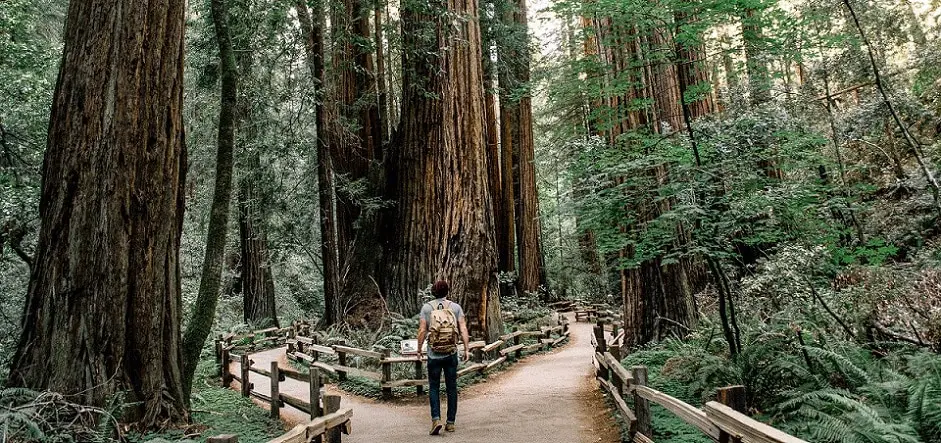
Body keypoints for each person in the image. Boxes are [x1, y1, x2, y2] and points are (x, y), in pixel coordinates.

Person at [417, 280, 470, 435]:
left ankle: (435, 419)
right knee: (451, 388)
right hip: (451, 354)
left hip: (434, 354)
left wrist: (419, 350)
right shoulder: (455, 307)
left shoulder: (427, 308)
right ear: (447, 291)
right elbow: (463, 328)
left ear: (433, 292)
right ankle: (451, 423)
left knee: (433, 387)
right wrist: (466, 348)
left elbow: (422, 330)